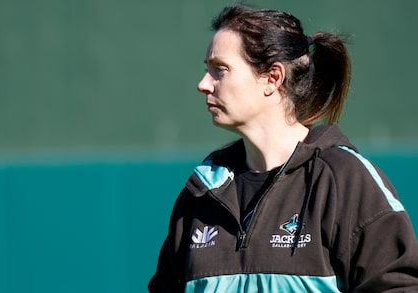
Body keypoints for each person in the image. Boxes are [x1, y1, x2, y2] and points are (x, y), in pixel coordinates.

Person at [148, 3, 418, 292]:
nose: (204, 84)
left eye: (220, 70)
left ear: (272, 78)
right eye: (207, 70)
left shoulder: (346, 181)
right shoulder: (202, 193)